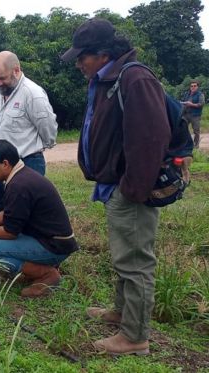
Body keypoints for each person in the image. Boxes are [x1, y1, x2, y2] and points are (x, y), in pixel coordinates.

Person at [61, 18, 171, 355]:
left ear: (104, 53)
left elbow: (152, 138)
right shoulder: (107, 79)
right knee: (123, 254)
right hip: (115, 186)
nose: (79, 62)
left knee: (135, 260)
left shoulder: (134, 78)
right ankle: (122, 313)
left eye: (83, 56)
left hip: (131, 189)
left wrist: (132, 189)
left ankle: (134, 337)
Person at [0, 140, 78, 297]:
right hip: (50, 239)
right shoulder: (22, 176)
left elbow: (10, 232)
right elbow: (9, 213)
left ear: (5, 164)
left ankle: (46, 274)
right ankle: (37, 267)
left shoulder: (18, 186)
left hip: (53, 245)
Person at [0, 51, 58, 218]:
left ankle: (24, 243)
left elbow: (49, 129)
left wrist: (34, 147)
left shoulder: (33, 93)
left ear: (16, 70)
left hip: (27, 162)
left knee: (22, 211)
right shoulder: (0, 91)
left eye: (2, 78)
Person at [181, 80, 205, 148]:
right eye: (191, 86)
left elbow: (201, 104)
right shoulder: (187, 94)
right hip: (186, 114)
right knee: (183, 129)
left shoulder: (200, 94)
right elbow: (183, 101)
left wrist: (192, 104)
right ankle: (184, 144)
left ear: (197, 87)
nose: (193, 87)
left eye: (195, 86)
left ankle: (196, 146)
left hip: (195, 115)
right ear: (190, 87)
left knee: (196, 131)